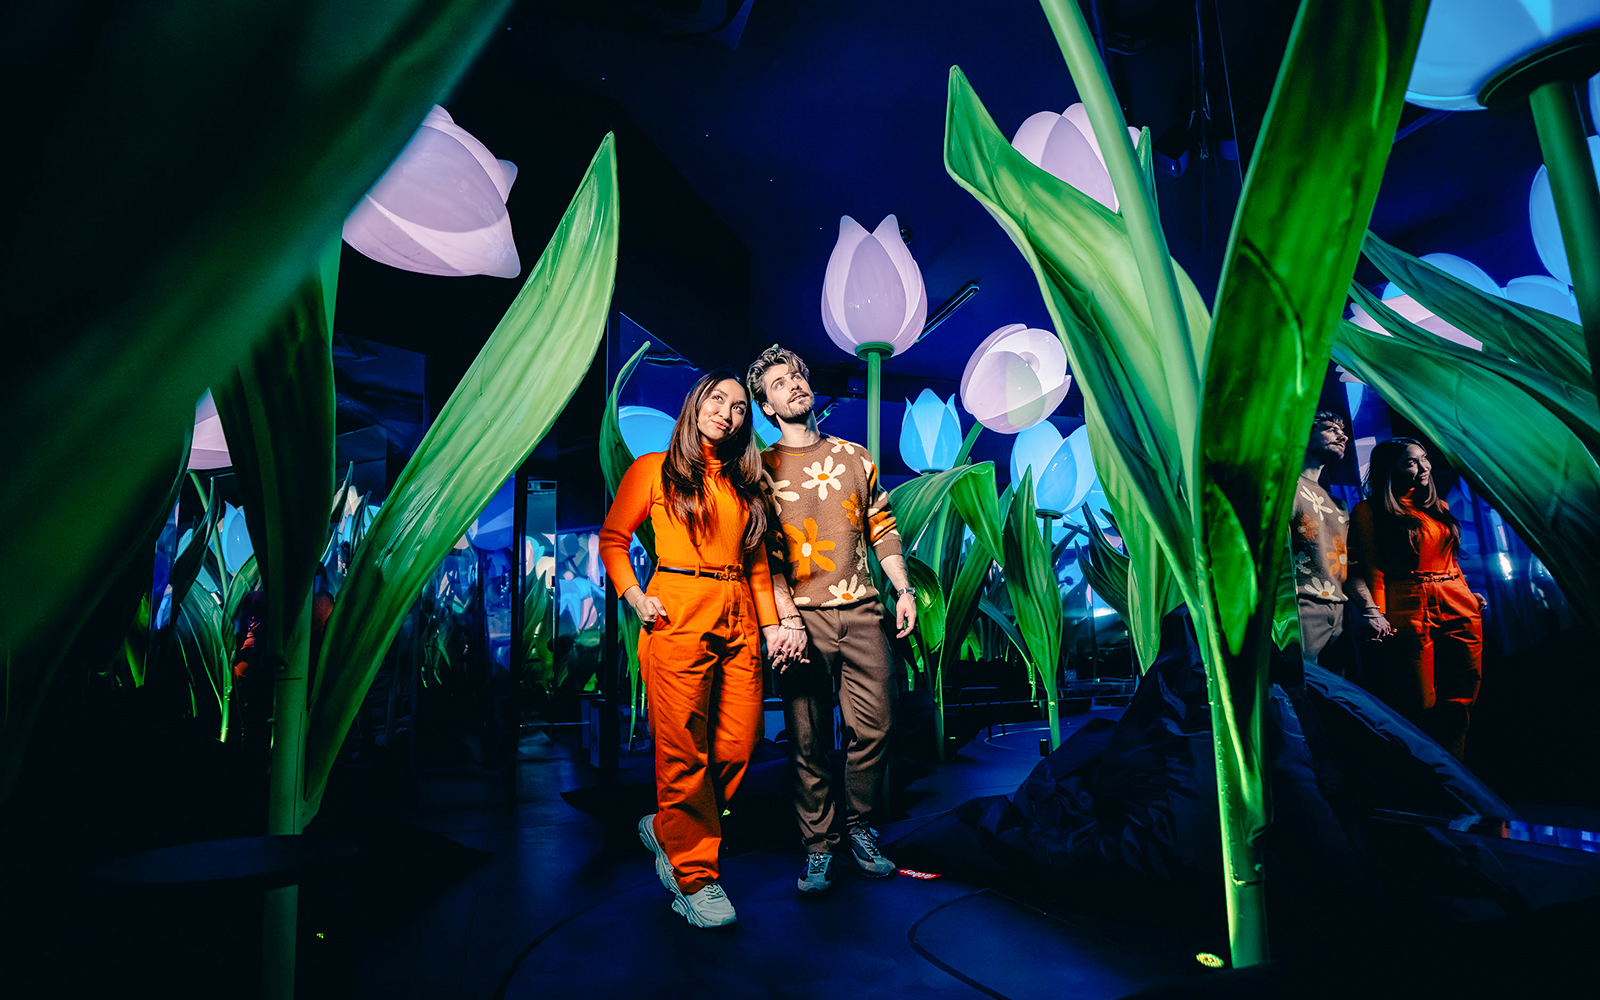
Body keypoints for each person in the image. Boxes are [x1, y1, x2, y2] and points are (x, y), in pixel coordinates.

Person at [598, 369, 783, 928]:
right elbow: (613, 538)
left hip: (739, 612)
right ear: (695, 404)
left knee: (739, 746)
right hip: (676, 603)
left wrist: (772, 626)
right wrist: (635, 595)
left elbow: (758, 568)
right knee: (682, 752)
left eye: (739, 408)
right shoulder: (653, 468)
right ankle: (695, 876)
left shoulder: (745, 487)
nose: (727, 412)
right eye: (717, 399)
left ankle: (667, 827)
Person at [746, 344, 917, 896]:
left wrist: (903, 588)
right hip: (801, 623)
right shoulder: (761, 471)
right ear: (767, 408)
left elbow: (882, 524)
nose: (793, 385)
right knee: (806, 739)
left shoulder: (855, 456)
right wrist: (786, 616)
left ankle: (861, 827)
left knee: (878, 727)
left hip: (865, 612)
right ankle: (819, 847)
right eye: (778, 384)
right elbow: (763, 554)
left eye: (796, 375)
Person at [1349, 438, 1486, 760]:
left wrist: (1467, 592)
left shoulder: (1439, 508)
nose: (1423, 467)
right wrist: (1376, 614)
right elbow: (1373, 568)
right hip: (1408, 603)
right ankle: (1425, 776)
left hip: (1457, 601)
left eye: (1424, 459)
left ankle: (1457, 773)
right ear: (1390, 469)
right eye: (1410, 462)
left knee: (1464, 691)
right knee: (1418, 699)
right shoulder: (1369, 511)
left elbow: (1451, 559)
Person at [1291, 410, 1352, 668]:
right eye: (1330, 429)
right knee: (1300, 690)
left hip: (1338, 610)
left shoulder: (1338, 504)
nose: (1343, 436)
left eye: (1343, 431)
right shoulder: (1288, 488)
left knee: (1332, 695)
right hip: (1301, 605)